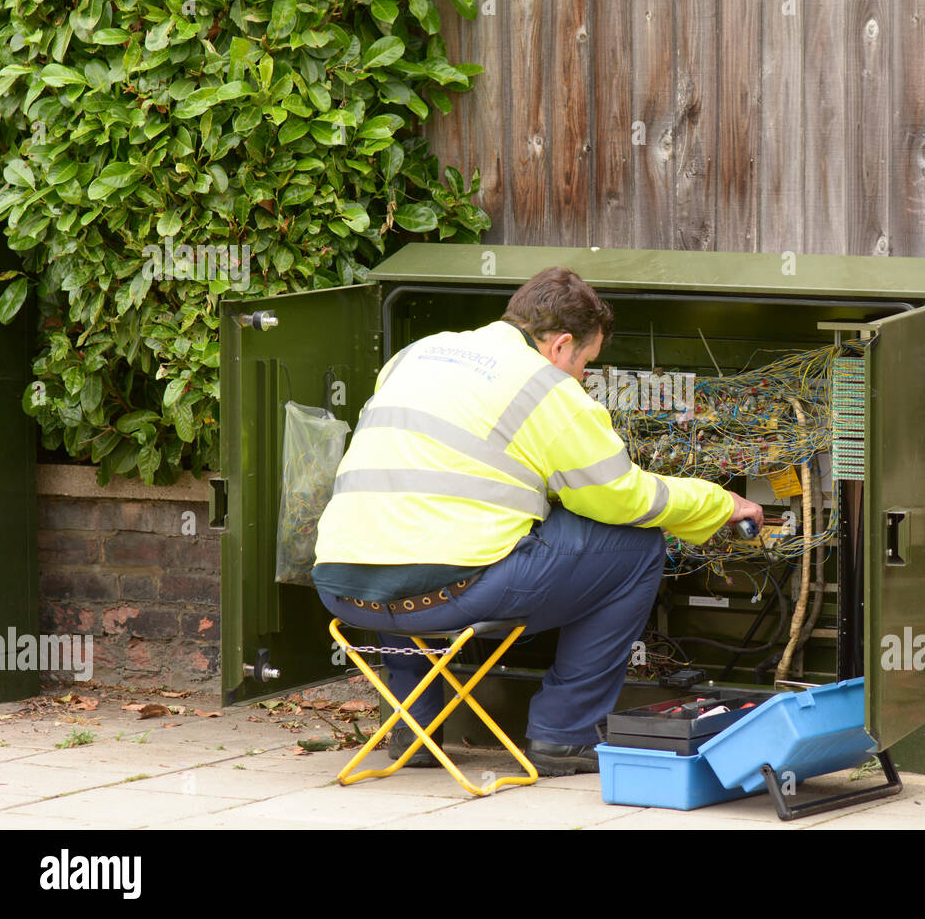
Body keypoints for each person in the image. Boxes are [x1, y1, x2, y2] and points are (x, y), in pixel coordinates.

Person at [311, 267, 763, 775]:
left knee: (403, 543)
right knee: (636, 549)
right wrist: (719, 504)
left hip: (344, 588)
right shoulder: (545, 386)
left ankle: (412, 728)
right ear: (561, 345)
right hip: (451, 594)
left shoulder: (414, 354)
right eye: (587, 362)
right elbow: (619, 497)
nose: (584, 378)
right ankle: (562, 736)